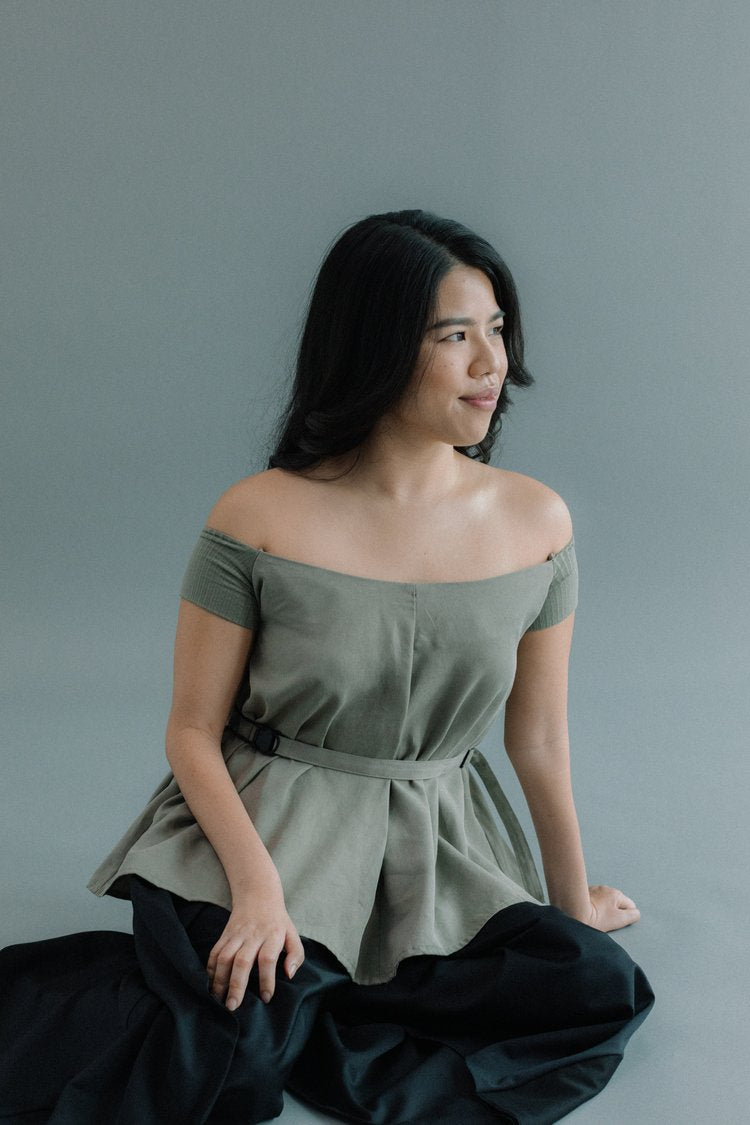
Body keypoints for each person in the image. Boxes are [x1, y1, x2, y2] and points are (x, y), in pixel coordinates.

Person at [0, 209, 653, 1124]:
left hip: (440, 848)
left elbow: (538, 738)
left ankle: (323, 995)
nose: (490, 363)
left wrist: (571, 901)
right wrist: (258, 892)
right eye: (454, 335)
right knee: (220, 1049)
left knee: (594, 989)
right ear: (378, 346)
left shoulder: (537, 522)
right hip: (271, 828)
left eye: (498, 329)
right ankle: (297, 992)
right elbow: (192, 731)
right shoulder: (259, 516)